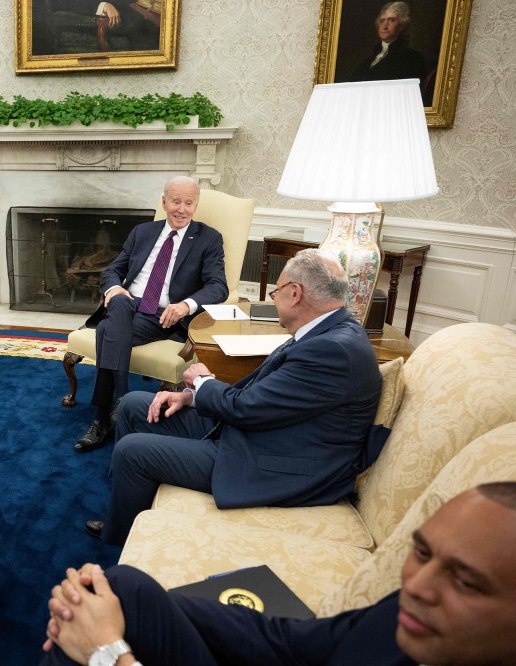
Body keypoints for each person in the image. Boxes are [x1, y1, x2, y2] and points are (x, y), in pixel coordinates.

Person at [87, 249, 384, 545]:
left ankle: (122, 538)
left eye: (276, 290)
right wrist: (192, 396)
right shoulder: (328, 332)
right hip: (262, 431)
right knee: (133, 405)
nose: (272, 297)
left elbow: (246, 408)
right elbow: (265, 396)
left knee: (133, 450)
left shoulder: (332, 349)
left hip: (274, 461)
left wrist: (201, 381)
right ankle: (125, 505)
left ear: (295, 293)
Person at [41, 482, 516, 666]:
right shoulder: (407, 614)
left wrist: (110, 653)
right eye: (423, 553)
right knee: (120, 587)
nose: (416, 587)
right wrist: (109, 609)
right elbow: (293, 641)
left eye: (466, 582)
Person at [72, 176, 228, 453]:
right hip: (129, 305)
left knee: (108, 329)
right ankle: (120, 400)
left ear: (196, 205)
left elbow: (218, 286)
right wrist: (113, 290)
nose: (182, 209)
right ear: (164, 201)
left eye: (189, 203)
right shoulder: (142, 232)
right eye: (176, 201)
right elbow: (112, 271)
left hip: (165, 314)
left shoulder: (209, 238)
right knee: (118, 305)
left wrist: (186, 305)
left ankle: (101, 418)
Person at [348, 2, 425, 85]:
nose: (385, 26)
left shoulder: (413, 58)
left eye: (392, 20)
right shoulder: (373, 57)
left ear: (402, 25)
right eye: (381, 21)